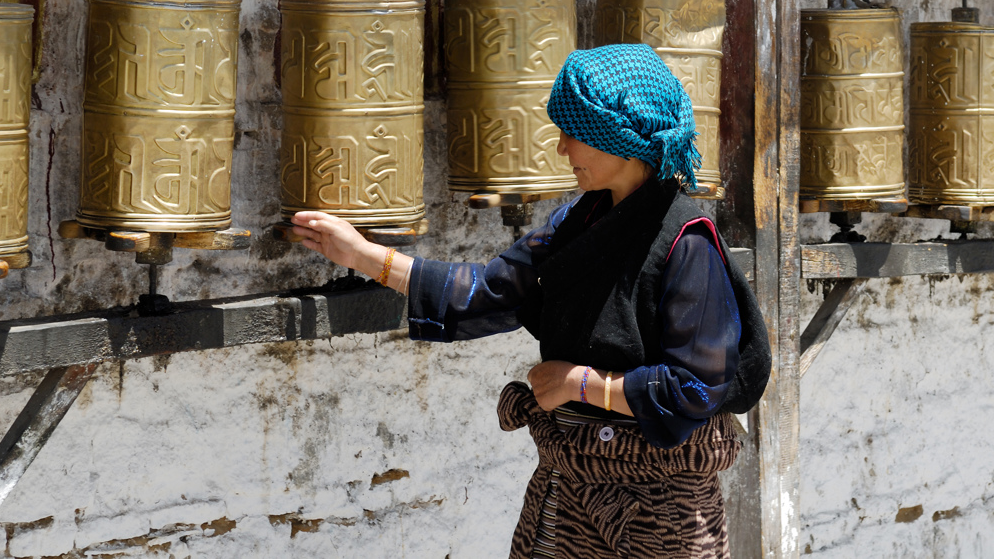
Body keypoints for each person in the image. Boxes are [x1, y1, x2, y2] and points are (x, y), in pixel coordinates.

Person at [291, 44, 771, 559]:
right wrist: (364, 256)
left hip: (657, 515)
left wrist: (581, 383)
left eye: (574, 133)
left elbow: (695, 389)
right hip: (566, 497)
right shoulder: (579, 222)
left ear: (620, 143)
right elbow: (491, 289)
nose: (562, 149)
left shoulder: (687, 243)